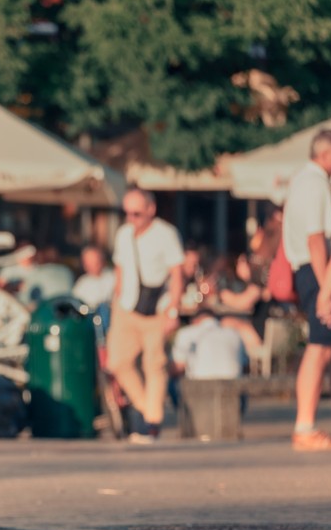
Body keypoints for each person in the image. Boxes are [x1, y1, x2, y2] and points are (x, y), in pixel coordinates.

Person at [108, 188, 184, 443]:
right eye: (127, 213)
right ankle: (145, 408)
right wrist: (116, 300)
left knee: (155, 365)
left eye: (136, 213)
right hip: (126, 306)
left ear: (151, 210)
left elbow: (177, 274)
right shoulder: (123, 234)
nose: (131, 218)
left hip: (156, 309)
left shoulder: (166, 234)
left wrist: (173, 310)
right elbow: (120, 269)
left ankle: (151, 422)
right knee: (117, 363)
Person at [299, 129, 331, 450]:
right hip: (319, 273)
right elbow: (315, 240)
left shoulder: (315, 185)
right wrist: (325, 292)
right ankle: (304, 425)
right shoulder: (314, 185)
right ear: (326, 153)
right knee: (320, 348)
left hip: (326, 275)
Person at [171, 307, 247, 381]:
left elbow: (178, 368)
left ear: (195, 321)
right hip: (232, 386)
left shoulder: (186, 333)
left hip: (198, 385)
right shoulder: (234, 333)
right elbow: (245, 367)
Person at [72, 245, 116, 311]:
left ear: (102, 260)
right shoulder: (82, 283)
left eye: (95, 261)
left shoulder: (113, 277)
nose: (92, 265)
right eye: (88, 262)